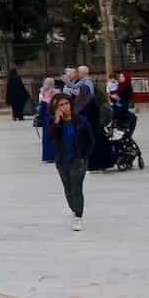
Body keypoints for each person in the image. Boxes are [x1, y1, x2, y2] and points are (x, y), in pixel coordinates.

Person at [51, 94, 93, 232]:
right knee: (68, 189)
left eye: (66, 104)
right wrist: (57, 122)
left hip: (78, 161)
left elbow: (91, 140)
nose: (64, 107)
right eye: (60, 105)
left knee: (76, 188)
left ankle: (78, 217)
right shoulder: (55, 122)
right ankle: (75, 209)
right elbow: (50, 137)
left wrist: (84, 157)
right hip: (62, 161)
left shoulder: (81, 121)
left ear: (71, 104)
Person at [36, 78, 57, 163]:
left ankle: (48, 157)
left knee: (47, 139)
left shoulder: (43, 94)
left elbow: (41, 110)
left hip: (46, 120)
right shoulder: (56, 93)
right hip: (55, 118)